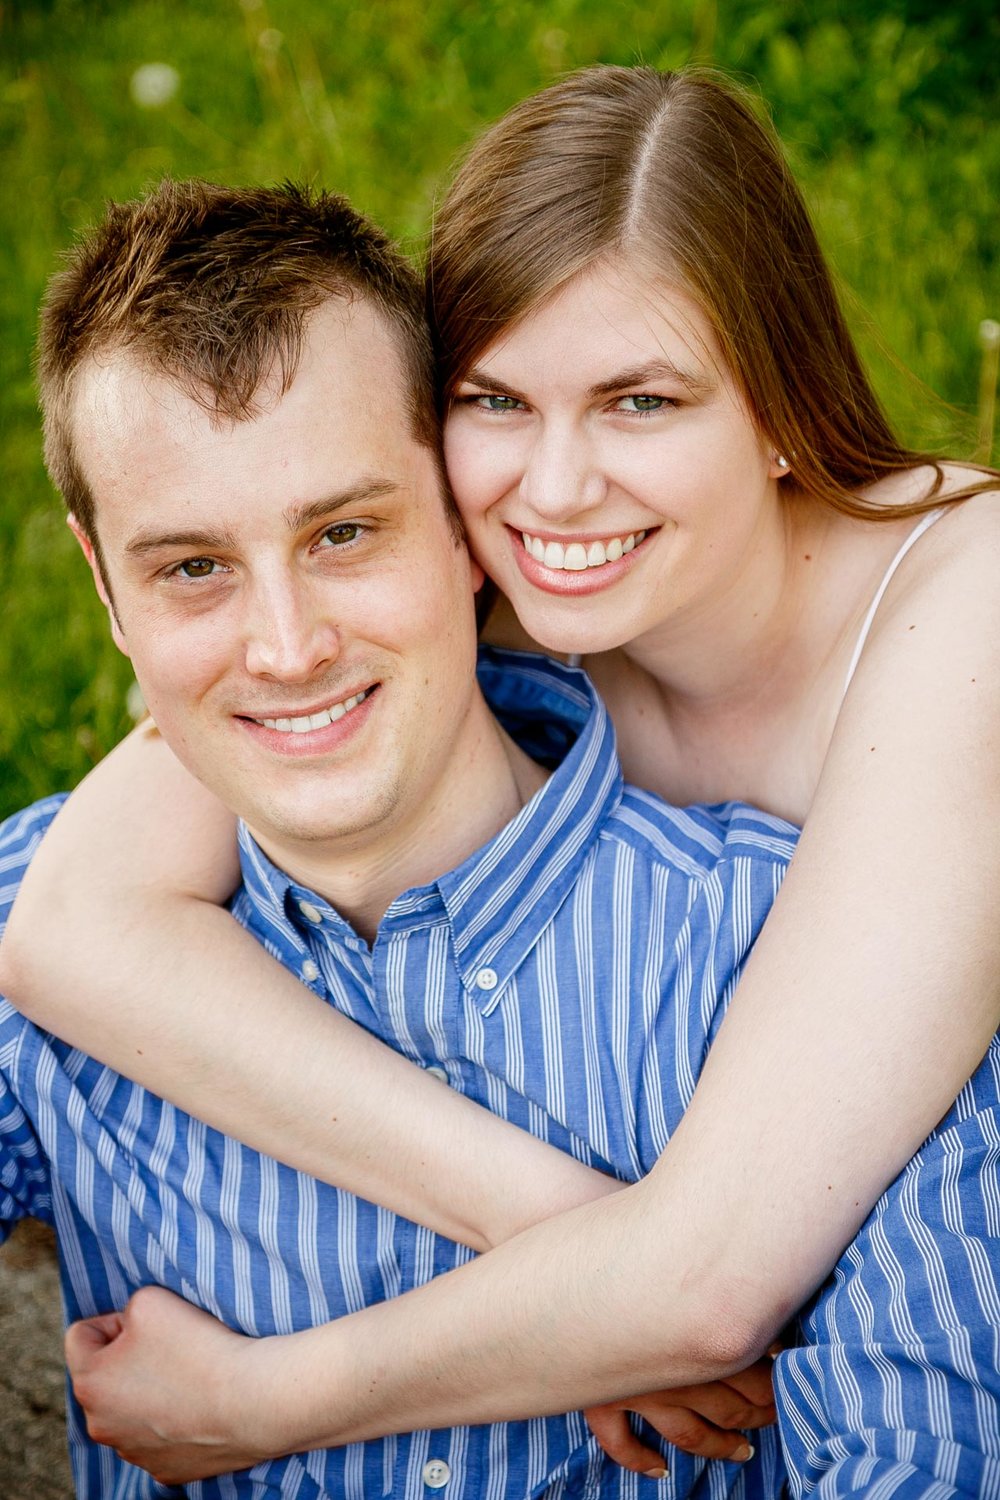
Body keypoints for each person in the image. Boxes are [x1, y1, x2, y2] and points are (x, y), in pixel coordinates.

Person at [3, 62, 1000, 1493]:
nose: (555, 486)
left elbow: (709, 1282)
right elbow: (66, 924)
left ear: (781, 405)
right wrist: (554, 1221)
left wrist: (258, 1406)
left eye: (641, 401)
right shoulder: (498, 568)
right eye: (492, 398)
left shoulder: (965, 616)